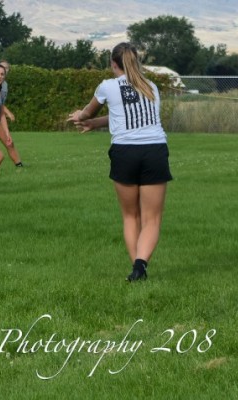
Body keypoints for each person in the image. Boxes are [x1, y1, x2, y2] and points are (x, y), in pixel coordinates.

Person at [67, 42, 173, 282]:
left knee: (130, 216)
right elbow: (124, 115)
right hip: (154, 151)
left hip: (125, 152)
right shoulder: (151, 87)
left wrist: (81, 117)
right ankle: (140, 266)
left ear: (113, 64)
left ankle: (136, 268)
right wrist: (95, 124)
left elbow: (88, 112)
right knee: (152, 218)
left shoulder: (107, 86)